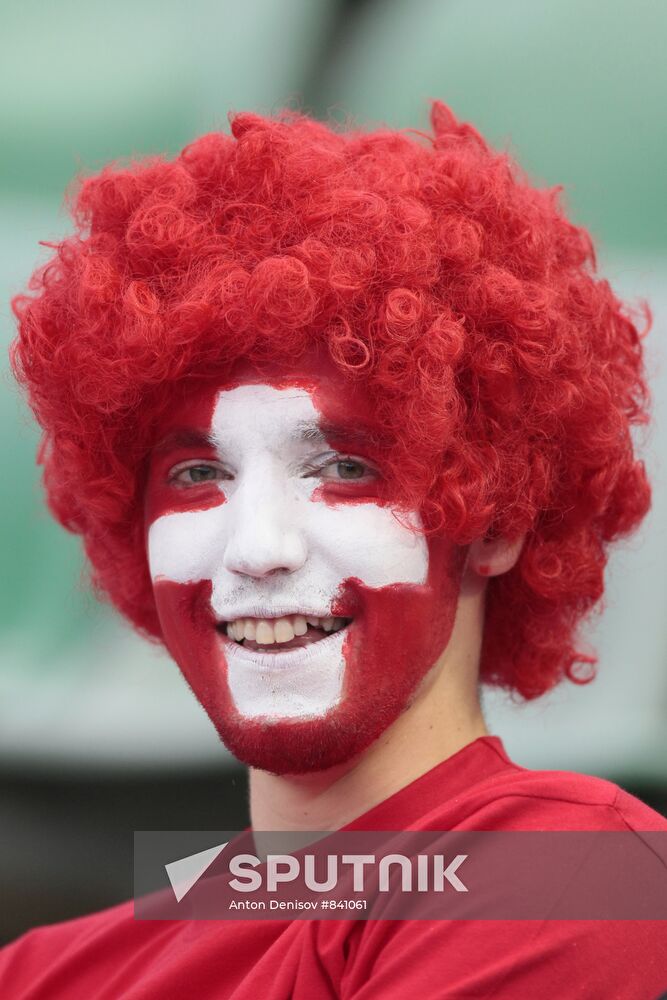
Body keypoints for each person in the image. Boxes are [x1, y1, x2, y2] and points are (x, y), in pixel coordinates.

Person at [0, 101, 665, 998]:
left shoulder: (573, 875)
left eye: (343, 467)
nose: (257, 548)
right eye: (199, 477)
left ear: (497, 519)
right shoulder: (47, 971)